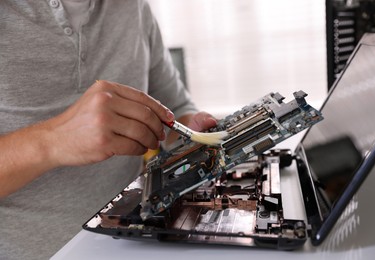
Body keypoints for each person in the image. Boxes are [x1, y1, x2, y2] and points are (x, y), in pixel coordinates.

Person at [0, 1, 217, 259]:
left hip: (132, 243)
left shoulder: (134, 7)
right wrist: (53, 141)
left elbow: (176, 107)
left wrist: (189, 132)